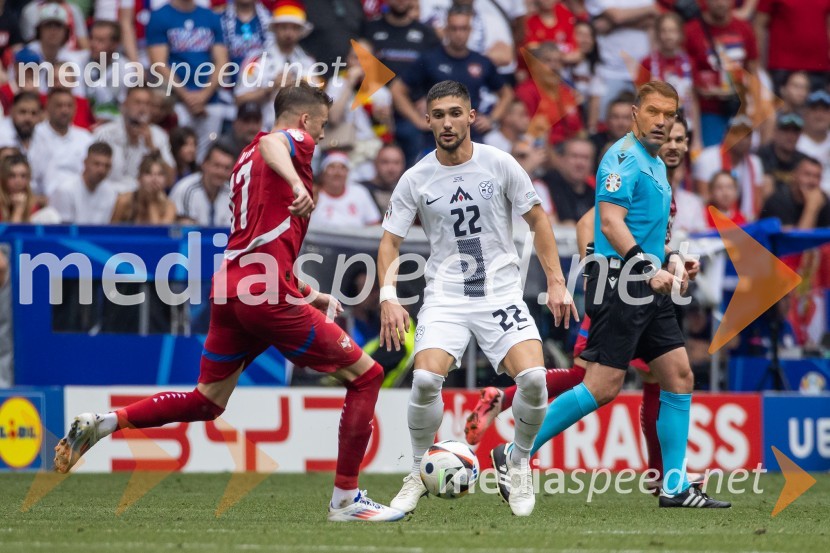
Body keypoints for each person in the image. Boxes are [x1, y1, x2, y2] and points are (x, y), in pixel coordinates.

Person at [54, 81, 404, 523]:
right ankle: (346, 501)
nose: (318, 137)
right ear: (303, 120)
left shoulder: (244, 160)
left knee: (206, 401)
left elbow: (259, 238)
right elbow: (279, 143)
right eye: (319, 126)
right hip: (262, 294)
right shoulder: (285, 143)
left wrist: (309, 292)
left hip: (235, 290)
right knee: (368, 375)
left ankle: (104, 422)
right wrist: (297, 179)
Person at [491, 81, 731, 508]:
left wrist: (673, 262)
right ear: (635, 113)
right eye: (654, 112)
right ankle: (515, 452)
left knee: (679, 375)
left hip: (645, 282)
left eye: (669, 115)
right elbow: (610, 224)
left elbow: (644, 231)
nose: (661, 121)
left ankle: (673, 485)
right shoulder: (622, 158)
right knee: (602, 386)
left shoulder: (654, 162)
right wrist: (646, 266)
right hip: (621, 282)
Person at [378, 80, 576, 517]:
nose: (447, 123)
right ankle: (416, 471)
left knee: (535, 380)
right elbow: (389, 242)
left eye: (455, 113)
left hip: (499, 293)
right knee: (426, 380)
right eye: (438, 115)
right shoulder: (416, 178)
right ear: (427, 120)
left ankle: (518, 461)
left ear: (471, 116)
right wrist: (388, 297)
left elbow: (538, 220)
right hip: (446, 296)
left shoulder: (499, 164)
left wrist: (557, 282)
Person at [147, 0, 228, 161]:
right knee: (177, 155)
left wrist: (204, 95)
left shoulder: (210, 16)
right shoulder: (160, 16)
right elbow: (159, 63)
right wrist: (188, 97)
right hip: (177, 101)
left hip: (209, 101)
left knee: (206, 158)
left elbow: (222, 62)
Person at [93, 86, 176, 192]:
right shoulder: (105, 133)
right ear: (125, 105)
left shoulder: (158, 136)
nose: (142, 108)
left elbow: (170, 180)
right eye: (137, 103)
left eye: (147, 104)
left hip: (143, 198)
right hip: (109, 195)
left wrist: (152, 148)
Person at [28, 88, 93, 197]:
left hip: (79, 198)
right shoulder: (34, 134)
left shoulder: (85, 138)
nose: (65, 110)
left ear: (75, 108)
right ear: (48, 107)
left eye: (69, 106)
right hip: (42, 198)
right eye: (59, 105)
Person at [48, 142, 119, 224]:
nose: (101, 170)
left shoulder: (110, 193)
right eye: (96, 164)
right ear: (85, 162)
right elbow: (61, 229)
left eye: (107, 166)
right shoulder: (65, 190)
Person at [308, 151, 382, 230]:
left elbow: (375, 225)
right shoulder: (314, 194)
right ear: (323, 173)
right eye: (332, 167)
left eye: (343, 167)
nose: (337, 173)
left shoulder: (360, 192)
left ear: (348, 173)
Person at [168, 141, 236, 227]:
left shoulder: (233, 193)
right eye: (216, 166)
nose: (221, 172)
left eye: (226, 168)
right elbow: (185, 232)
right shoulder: (186, 189)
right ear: (204, 164)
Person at [761, 156, 830, 230]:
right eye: (807, 174)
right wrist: (811, 208)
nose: (812, 181)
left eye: (817, 176)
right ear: (794, 175)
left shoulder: (823, 201)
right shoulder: (777, 201)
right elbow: (798, 240)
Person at [111, 153, 177, 225]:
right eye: (148, 173)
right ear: (139, 178)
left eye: (159, 174)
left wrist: (152, 202)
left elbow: (158, 234)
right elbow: (112, 232)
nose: (154, 179)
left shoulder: (169, 206)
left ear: (165, 180)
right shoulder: (124, 200)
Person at [542, 137, 596, 225]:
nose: (580, 163)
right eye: (574, 156)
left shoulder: (596, 192)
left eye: (586, 158)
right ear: (561, 159)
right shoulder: (545, 186)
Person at [0, 153, 60, 224]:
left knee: (50, 214)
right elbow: (12, 234)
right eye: (12, 176)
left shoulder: (33, 203)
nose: (18, 181)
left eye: (23, 176)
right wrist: (18, 210)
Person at [796, 90, 830, 193]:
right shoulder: (795, 142)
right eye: (814, 109)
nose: (819, 115)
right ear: (805, 113)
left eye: (825, 110)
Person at [358, 143, 406, 214]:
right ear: (375, 164)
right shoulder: (360, 191)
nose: (391, 169)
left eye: (396, 163)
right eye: (385, 162)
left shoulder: (406, 195)